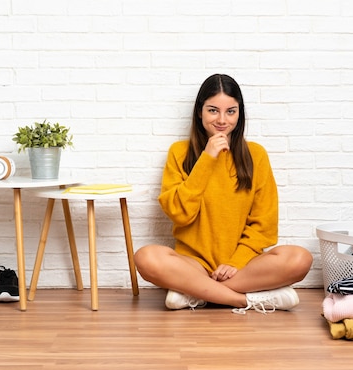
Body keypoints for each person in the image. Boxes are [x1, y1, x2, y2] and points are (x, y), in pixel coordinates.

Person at [134, 74, 313, 314]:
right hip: (193, 265)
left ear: (239, 114)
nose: (221, 120)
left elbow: (264, 225)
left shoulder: (256, 155)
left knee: (300, 258)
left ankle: (195, 293)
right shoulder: (179, 152)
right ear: (200, 112)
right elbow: (180, 215)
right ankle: (244, 300)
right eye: (213, 110)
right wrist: (207, 159)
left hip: (243, 266)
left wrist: (236, 262)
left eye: (231, 111)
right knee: (146, 257)